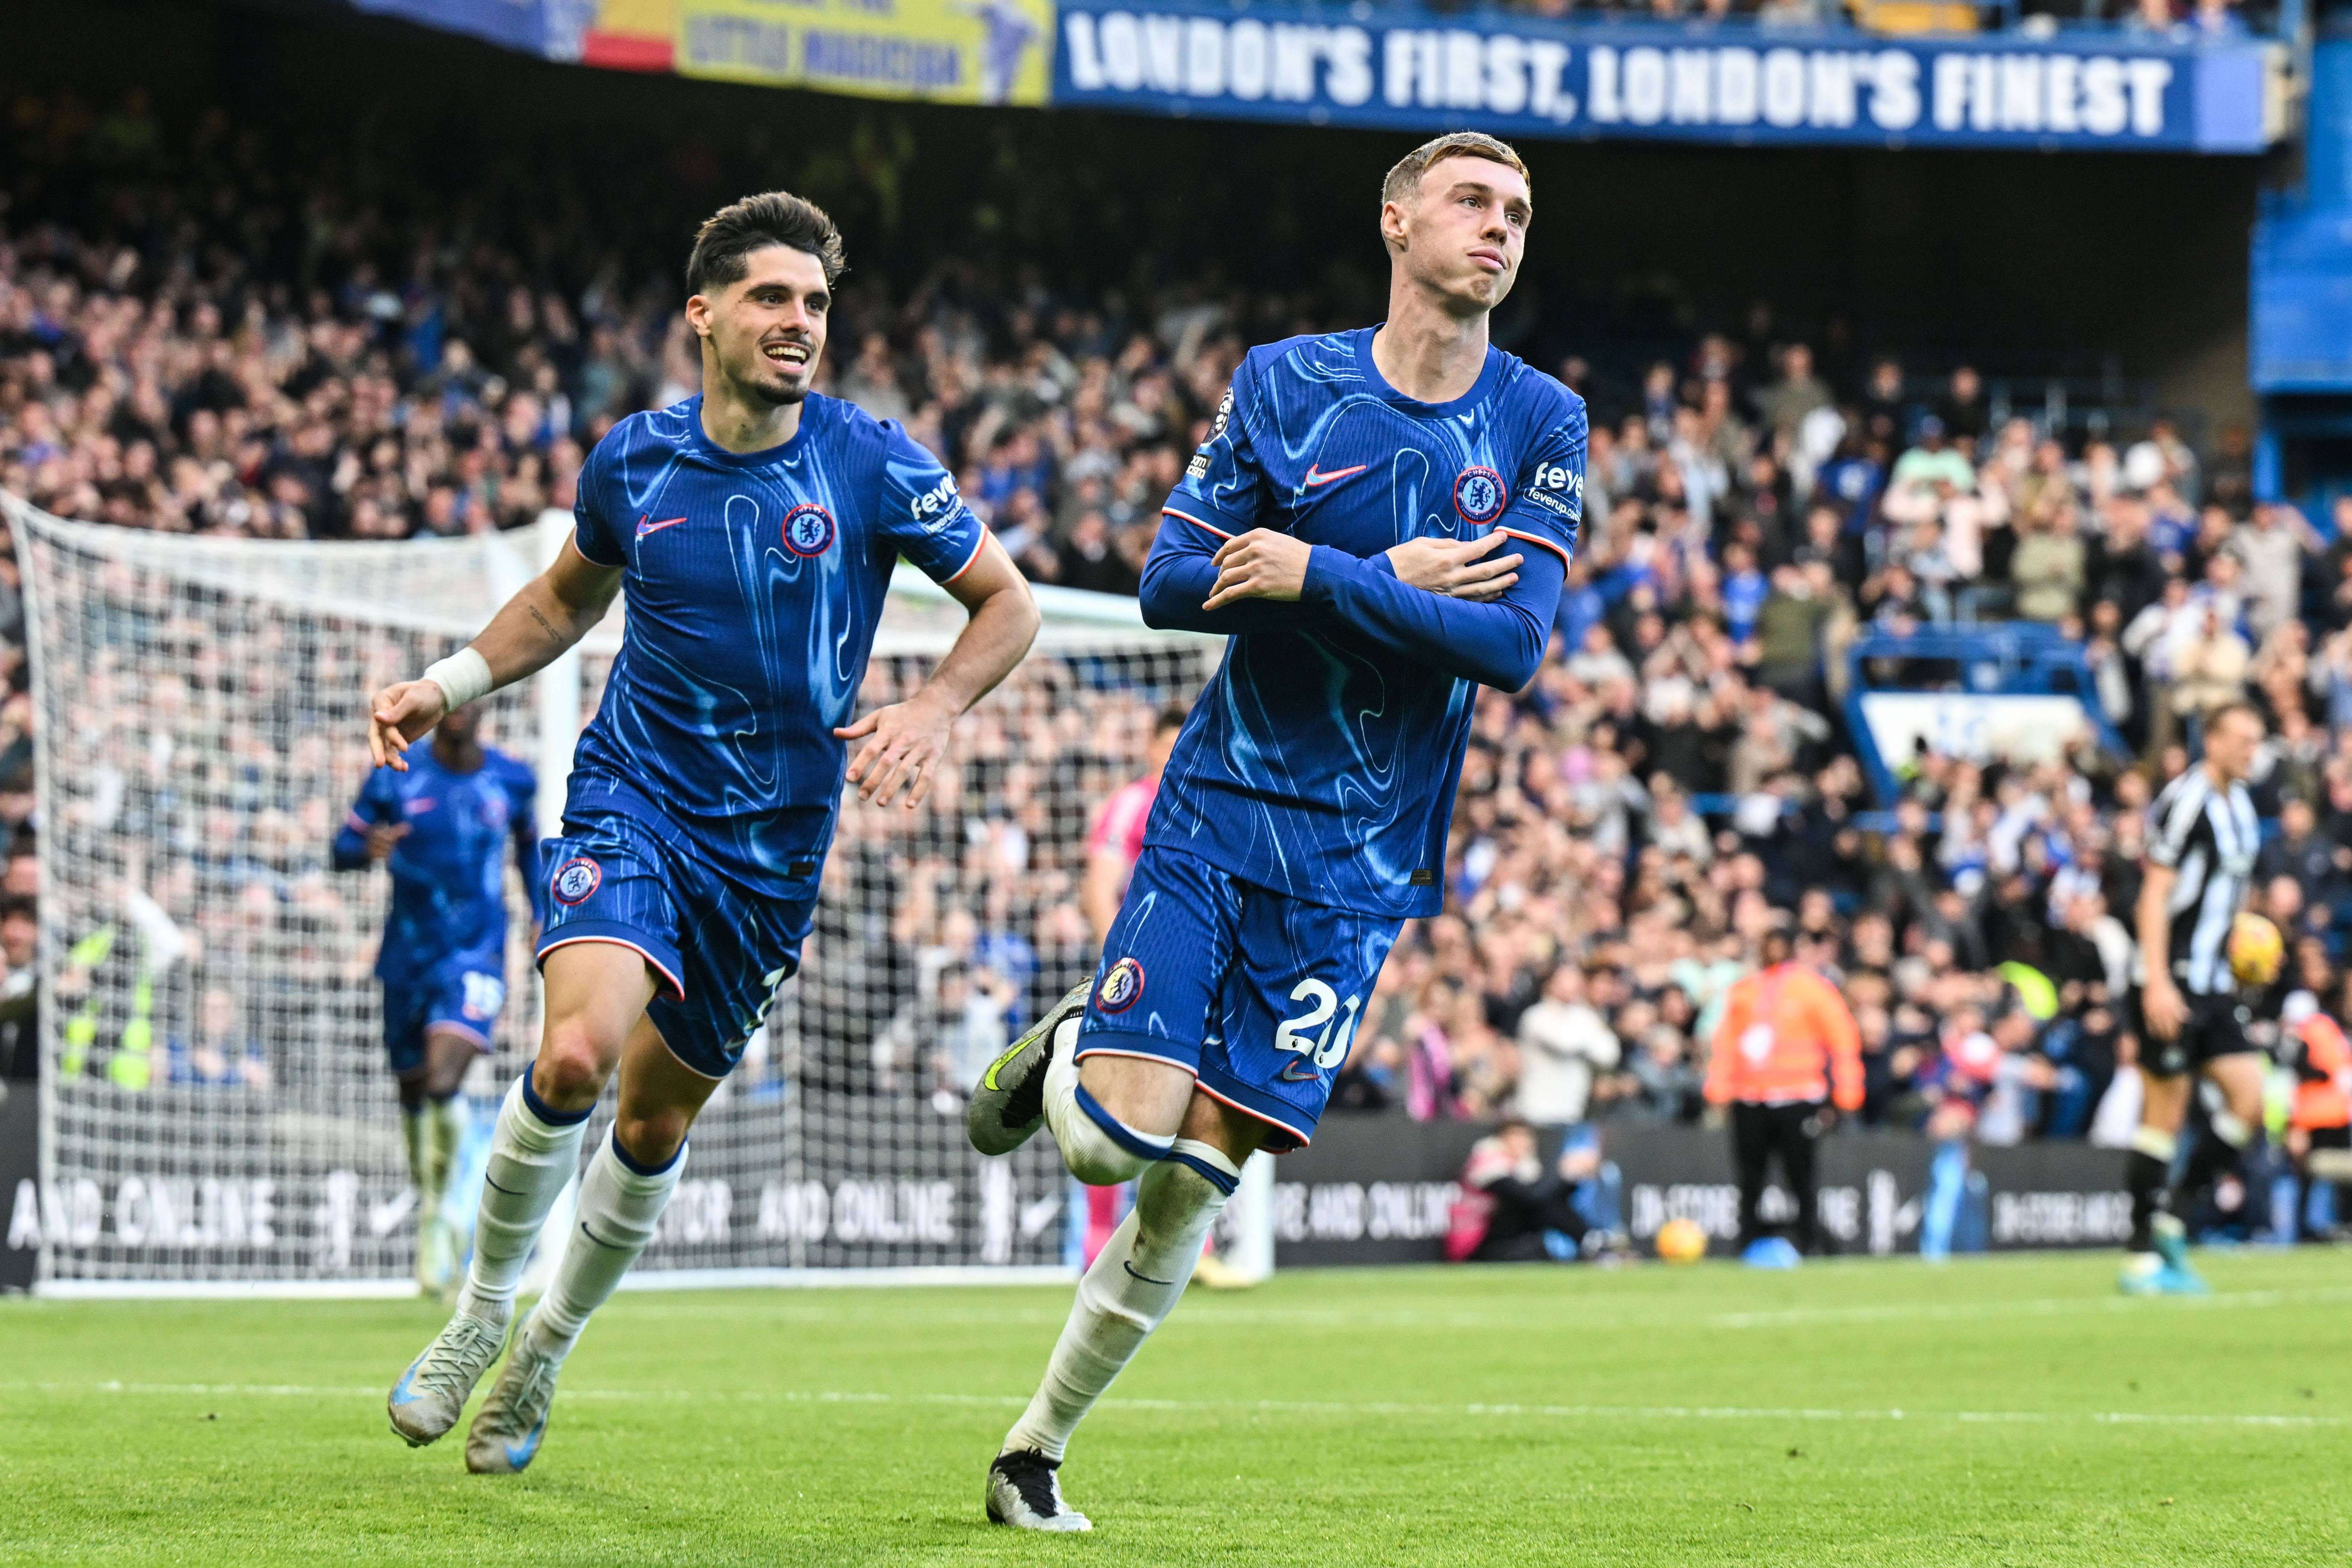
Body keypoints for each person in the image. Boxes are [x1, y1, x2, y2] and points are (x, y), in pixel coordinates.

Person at [961, 130, 1581, 1531]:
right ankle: (1070, 1040)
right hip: (1221, 813)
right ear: (1397, 218)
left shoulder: (1540, 420)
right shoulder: (1285, 383)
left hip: (1362, 863)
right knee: (1109, 1147)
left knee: (1194, 1182)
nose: (1499, 228)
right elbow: (1168, 583)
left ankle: (1034, 1445)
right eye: (1473, 201)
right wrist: (1359, 574)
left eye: (1519, 213)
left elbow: (1511, 643)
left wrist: (1313, 576)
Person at [371, 191, 1039, 1472]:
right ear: (704, 313)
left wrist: (938, 703)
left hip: (772, 855)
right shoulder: (635, 459)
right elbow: (565, 599)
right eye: (772, 298)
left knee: (651, 1125)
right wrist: (445, 682)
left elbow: (1004, 603)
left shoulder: (872, 459)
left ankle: (545, 1350)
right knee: (573, 1055)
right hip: (634, 796)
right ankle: (476, 1314)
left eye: (816, 305)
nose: (799, 323)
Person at [331, 702, 540, 1294]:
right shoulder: (396, 773)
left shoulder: (512, 778)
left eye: (472, 699)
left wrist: (542, 914)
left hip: (477, 954)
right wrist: (363, 847)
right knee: (416, 1091)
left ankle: (448, 1215)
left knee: (446, 1080)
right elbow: (341, 849)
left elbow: (528, 849)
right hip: (406, 956)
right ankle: (433, 1207)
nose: (461, 711)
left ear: (486, 706)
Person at [2120, 700, 2270, 1295]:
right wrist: (2156, 979)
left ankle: (2173, 1218)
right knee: (2166, 1111)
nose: (2248, 751)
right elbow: (2153, 896)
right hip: (2172, 977)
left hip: (2214, 983)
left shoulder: (2243, 807)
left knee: (2250, 1098)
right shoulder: (2187, 800)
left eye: (2255, 741)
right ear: (2211, 740)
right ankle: (2138, 1253)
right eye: (2239, 739)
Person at [1702, 925, 1862, 1257]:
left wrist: (1847, 1092)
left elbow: (1842, 1038)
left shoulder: (1812, 989)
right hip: (1751, 1097)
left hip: (1797, 1095)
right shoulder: (1745, 991)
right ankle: (1746, 1242)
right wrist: (1719, 1089)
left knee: (1801, 1176)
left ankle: (1809, 1240)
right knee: (1750, 1178)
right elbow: (1726, 1043)